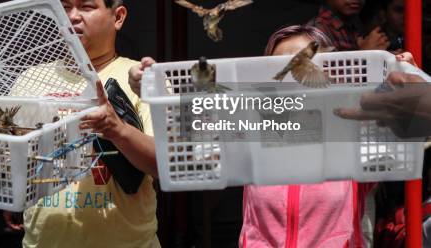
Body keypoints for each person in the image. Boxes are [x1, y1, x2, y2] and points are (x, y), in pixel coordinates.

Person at [129, 25, 381, 247]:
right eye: (279, 68)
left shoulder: (351, 131)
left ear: (328, 74)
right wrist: (155, 89)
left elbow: (408, 127)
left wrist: (407, 82)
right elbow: (187, 150)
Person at [13, 0, 159, 247]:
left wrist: (117, 129)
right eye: (64, 7)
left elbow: (163, 166)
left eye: (86, 6)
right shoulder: (28, 80)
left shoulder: (141, 79)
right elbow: (8, 160)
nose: (72, 17)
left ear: (118, 17)